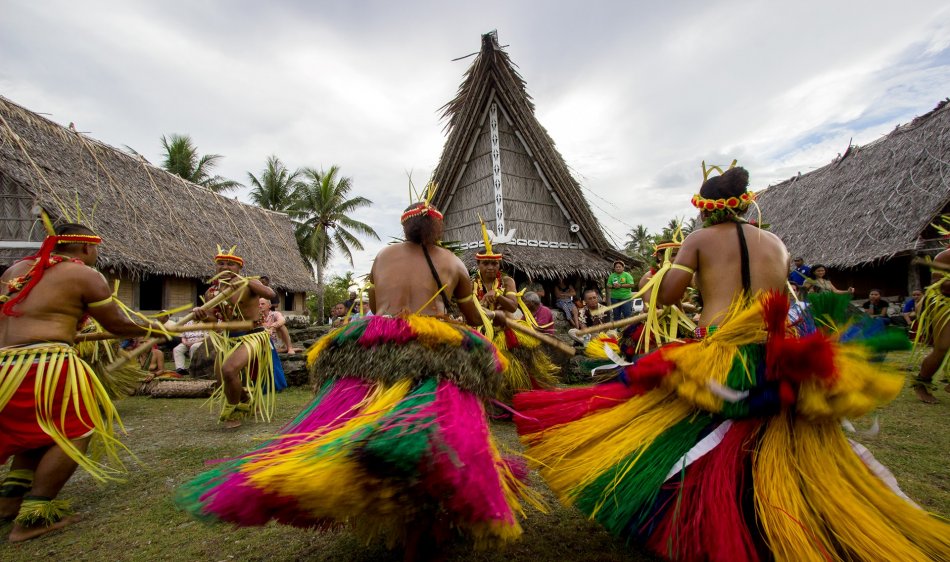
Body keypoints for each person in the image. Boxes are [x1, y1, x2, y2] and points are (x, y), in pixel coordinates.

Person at [513, 163, 949, 560]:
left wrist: (682, 280)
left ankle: (707, 516)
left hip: (720, 350)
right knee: (772, 436)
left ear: (705, 211)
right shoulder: (776, 243)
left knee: (695, 431)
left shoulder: (699, 240)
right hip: (774, 351)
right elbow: (779, 298)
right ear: (745, 205)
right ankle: (780, 512)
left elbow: (666, 298)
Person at [176, 199, 530, 558]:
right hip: (433, 341)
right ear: (439, 230)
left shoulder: (383, 257)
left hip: (376, 341)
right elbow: (471, 317)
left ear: (406, 228)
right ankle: (421, 497)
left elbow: (377, 307)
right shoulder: (454, 263)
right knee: (432, 422)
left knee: (364, 417)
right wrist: (487, 313)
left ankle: (380, 483)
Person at [0, 223, 163, 542]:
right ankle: (32, 518)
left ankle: (8, 502)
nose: (97, 256)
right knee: (77, 431)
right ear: (86, 248)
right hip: (44, 365)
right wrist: (152, 329)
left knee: (37, 433)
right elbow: (116, 324)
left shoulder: (17, 270)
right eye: (96, 250)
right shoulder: (85, 274)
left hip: (4, 365)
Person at [191, 246, 277, 428]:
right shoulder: (211, 293)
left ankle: (232, 412)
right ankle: (247, 400)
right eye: (221, 264)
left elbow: (270, 295)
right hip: (228, 338)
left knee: (229, 370)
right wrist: (202, 314)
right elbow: (213, 319)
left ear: (239, 268)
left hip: (253, 335)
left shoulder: (248, 284)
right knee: (224, 379)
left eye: (231, 264)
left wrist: (249, 283)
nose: (225, 267)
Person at [472, 221, 558, 399]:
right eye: (486, 263)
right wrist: (482, 300)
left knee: (515, 366)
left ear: (499, 265)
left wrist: (496, 295)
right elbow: (468, 308)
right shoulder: (470, 283)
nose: (490, 267)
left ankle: (516, 398)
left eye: (494, 264)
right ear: (478, 264)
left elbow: (512, 305)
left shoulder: (507, 281)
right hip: (480, 330)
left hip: (506, 328)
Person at [913, 248, 950, 403]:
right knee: (942, 347)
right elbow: (942, 285)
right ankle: (922, 383)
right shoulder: (945, 256)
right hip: (944, 304)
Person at [258, 276, 297, 353]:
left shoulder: (273, 293)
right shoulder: (257, 294)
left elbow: (282, 319)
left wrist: (272, 326)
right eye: (259, 304)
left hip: (275, 337)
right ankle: (281, 350)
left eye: (262, 304)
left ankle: (289, 348)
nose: (260, 306)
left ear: (267, 282)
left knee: (281, 326)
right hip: (265, 342)